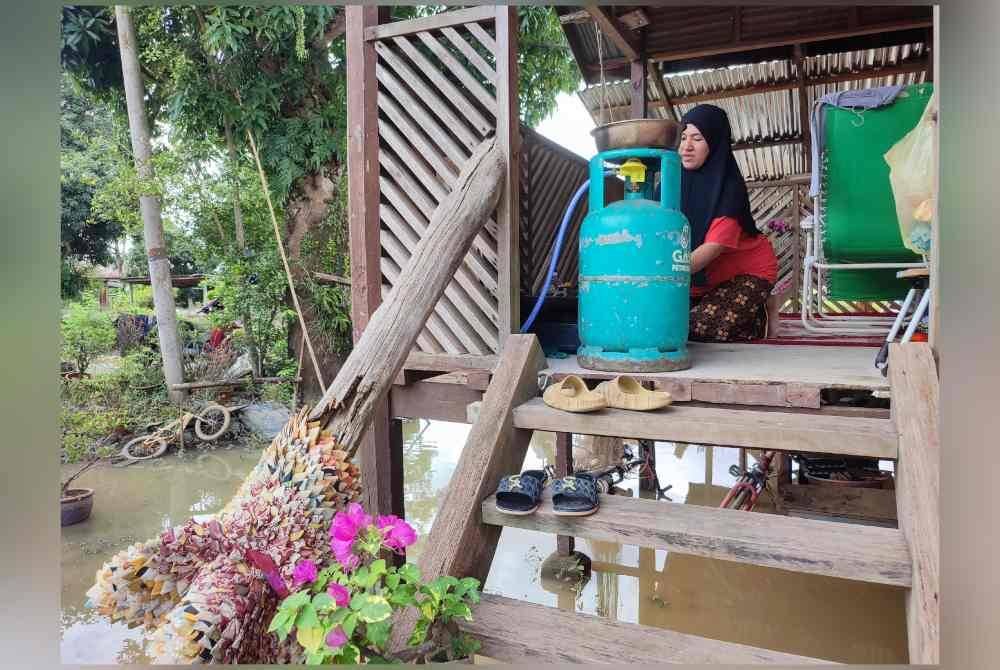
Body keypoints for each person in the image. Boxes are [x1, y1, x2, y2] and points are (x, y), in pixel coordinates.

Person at [678, 104, 778, 342]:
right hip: (698, 282)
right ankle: (750, 315)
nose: (686, 147)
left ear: (714, 142)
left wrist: (662, 275)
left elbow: (713, 247)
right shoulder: (672, 184)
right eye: (683, 138)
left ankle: (760, 310)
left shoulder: (729, 188)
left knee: (689, 330)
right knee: (652, 321)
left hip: (747, 274)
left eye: (697, 138)